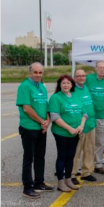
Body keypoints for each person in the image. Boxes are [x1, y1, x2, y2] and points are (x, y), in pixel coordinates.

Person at [16, 62, 53, 198]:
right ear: (30, 73)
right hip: (29, 127)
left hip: (41, 128)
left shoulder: (42, 87)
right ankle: (28, 187)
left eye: (40, 72)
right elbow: (27, 108)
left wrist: (47, 121)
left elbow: (46, 105)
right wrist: (41, 121)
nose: (38, 75)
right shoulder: (24, 86)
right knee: (28, 157)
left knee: (40, 156)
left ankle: (39, 182)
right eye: (35, 72)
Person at [48, 75, 87, 192]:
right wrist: (69, 128)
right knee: (62, 156)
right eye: (63, 83)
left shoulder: (76, 95)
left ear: (72, 85)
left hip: (75, 132)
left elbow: (84, 113)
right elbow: (55, 116)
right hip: (61, 133)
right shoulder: (56, 97)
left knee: (71, 156)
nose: (66, 85)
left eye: (68, 83)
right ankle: (61, 182)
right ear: (59, 85)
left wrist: (81, 126)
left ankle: (68, 180)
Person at [85, 60, 104, 175]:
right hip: (88, 117)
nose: (102, 70)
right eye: (100, 67)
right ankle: (87, 164)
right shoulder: (88, 79)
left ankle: (98, 164)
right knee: (88, 142)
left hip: (102, 116)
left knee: (100, 142)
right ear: (95, 68)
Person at [71, 70, 97, 185]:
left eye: (83, 76)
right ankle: (72, 174)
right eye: (78, 76)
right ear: (75, 78)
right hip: (80, 125)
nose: (81, 78)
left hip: (90, 124)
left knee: (89, 150)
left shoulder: (86, 88)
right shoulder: (72, 90)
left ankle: (86, 172)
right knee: (76, 151)